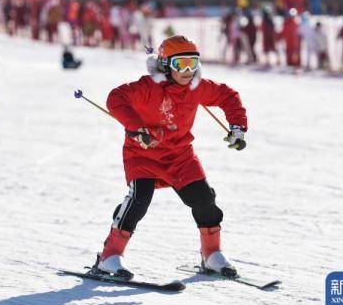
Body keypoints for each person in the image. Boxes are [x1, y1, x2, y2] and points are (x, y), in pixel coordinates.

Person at [89, 35, 248, 279]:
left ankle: (212, 254)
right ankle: (109, 257)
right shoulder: (148, 87)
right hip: (144, 153)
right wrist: (136, 126)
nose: (187, 71)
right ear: (165, 64)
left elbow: (228, 96)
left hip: (180, 156)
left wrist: (237, 126)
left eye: (192, 64)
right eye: (180, 64)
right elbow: (116, 98)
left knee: (204, 199)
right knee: (139, 200)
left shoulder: (197, 88)